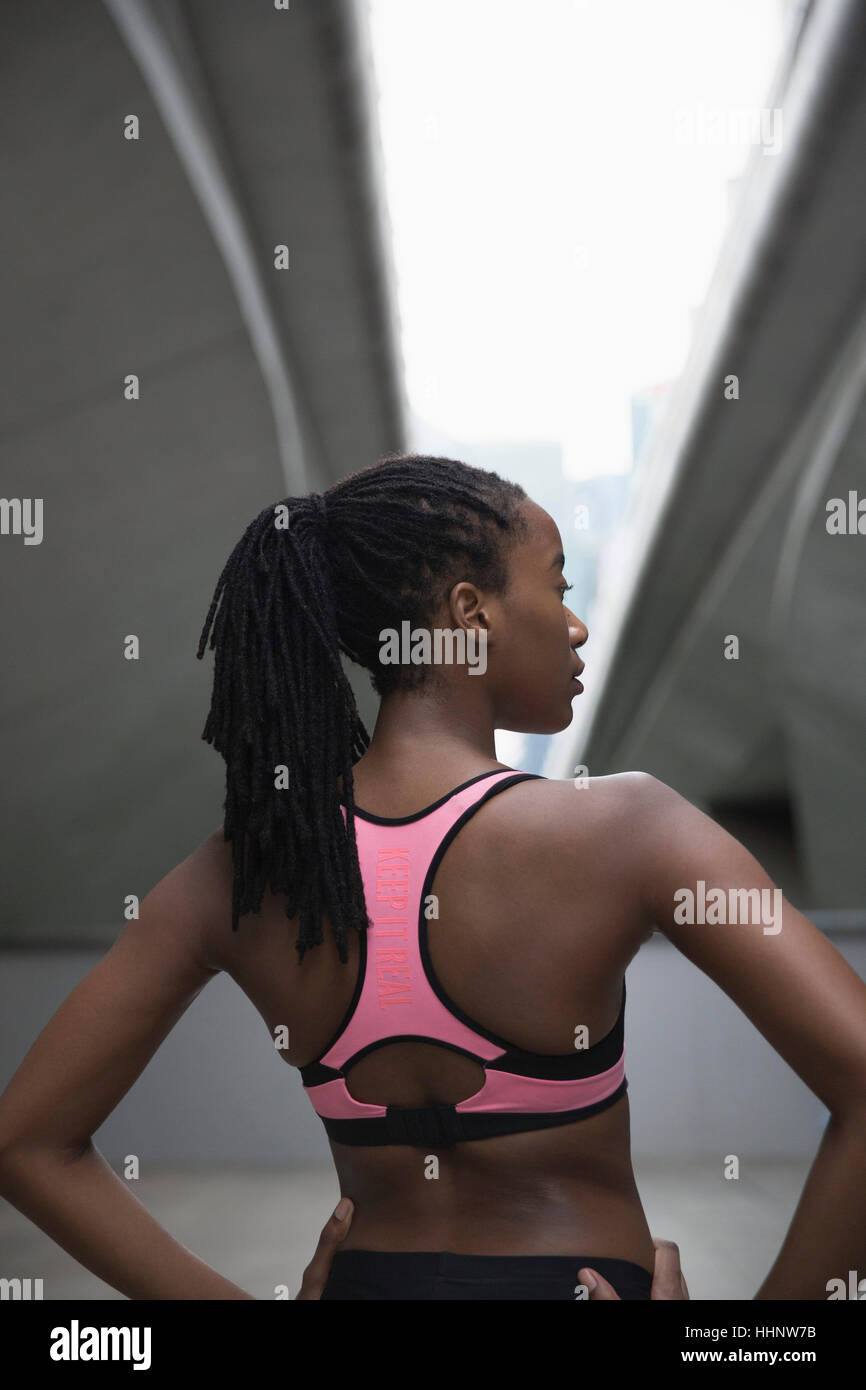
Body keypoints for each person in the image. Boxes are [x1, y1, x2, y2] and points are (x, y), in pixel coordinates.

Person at [0, 454, 864, 1300]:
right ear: (469, 612)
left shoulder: (240, 871)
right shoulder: (629, 826)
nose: (577, 626)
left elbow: (26, 1144)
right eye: (559, 587)